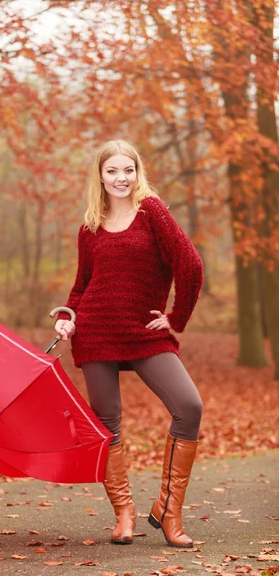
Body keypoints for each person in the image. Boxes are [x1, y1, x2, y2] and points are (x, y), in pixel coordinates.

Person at [54, 140, 204, 548]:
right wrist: (69, 318)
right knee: (107, 422)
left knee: (189, 407)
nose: (121, 178)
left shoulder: (152, 211)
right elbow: (82, 287)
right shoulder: (91, 225)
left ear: (138, 173)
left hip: (144, 331)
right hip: (97, 331)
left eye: (128, 170)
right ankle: (124, 513)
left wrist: (176, 318)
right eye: (112, 171)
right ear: (100, 177)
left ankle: (169, 511)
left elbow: (189, 263)